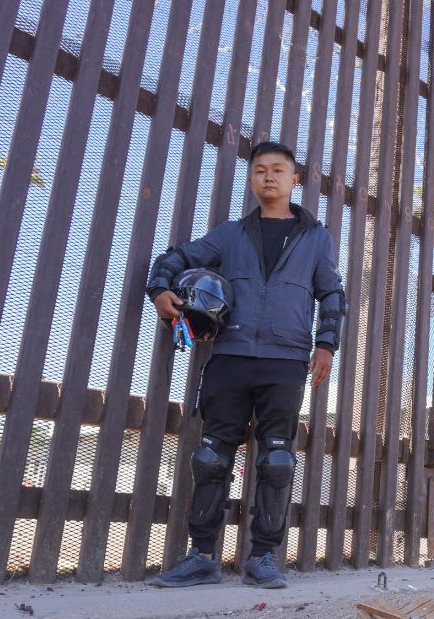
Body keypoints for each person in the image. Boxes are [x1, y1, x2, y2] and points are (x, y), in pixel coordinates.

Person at [146, 141, 345, 589]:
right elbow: (177, 258)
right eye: (259, 170)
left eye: (278, 170)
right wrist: (160, 290)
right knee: (211, 455)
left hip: (285, 359)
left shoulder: (316, 237)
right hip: (230, 357)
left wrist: (326, 344)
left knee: (277, 459)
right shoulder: (229, 235)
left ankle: (262, 558)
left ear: (295, 180)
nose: (269, 177)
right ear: (251, 180)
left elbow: (331, 293)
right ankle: (201, 558)